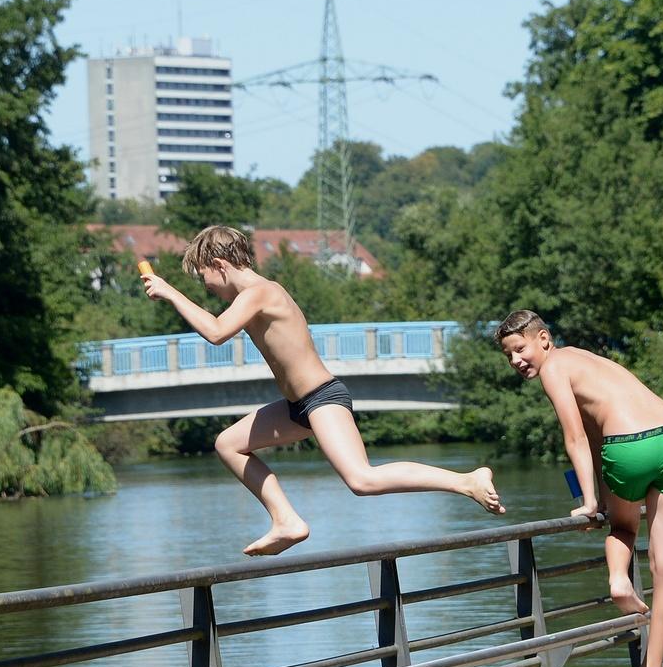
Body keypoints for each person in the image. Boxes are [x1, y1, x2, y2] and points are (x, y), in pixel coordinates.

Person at [141, 226, 505, 556]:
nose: (210, 291)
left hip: (322, 397)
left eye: (207, 283)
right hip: (297, 406)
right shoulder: (250, 298)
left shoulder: (261, 292)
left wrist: (171, 293)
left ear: (220, 265)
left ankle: (465, 480)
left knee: (362, 479)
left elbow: (217, 333)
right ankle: (285, 520)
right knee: (227, 444)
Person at [495, 310, 663, 667]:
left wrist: (588, 502)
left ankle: (619, 581)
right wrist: (598, 490)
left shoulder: (554, 369)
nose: (516, 361)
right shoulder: (585, 359)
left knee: (625, 529)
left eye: (520, 349)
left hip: (628, 445)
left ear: (543, 339)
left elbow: (576, 437)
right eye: (508, 356)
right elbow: (600, 432)